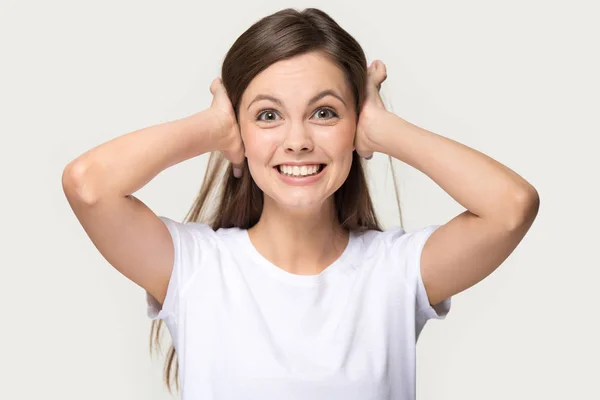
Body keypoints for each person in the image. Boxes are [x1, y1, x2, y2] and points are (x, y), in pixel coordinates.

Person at [62, 7, 539, 400]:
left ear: (356, 123)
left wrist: (385, 130)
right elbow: (89, 185)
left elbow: (511, 206)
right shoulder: (194, 267)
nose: (297, 141)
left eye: (325, 112)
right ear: (239, 129)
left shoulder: (395, 271)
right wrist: (212, 129)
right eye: (268, 115)